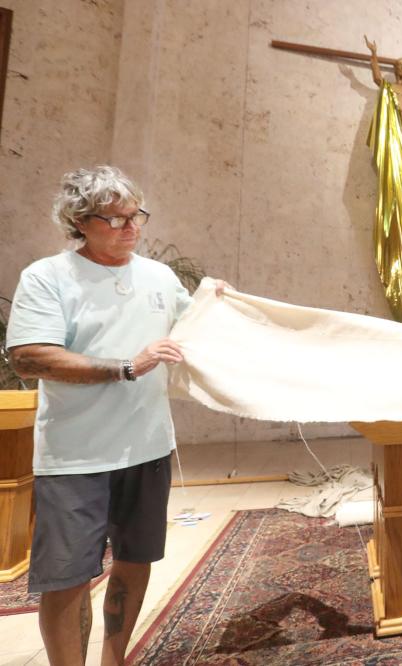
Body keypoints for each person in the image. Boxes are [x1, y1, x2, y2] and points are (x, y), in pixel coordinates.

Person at [5, 166, 224, 665]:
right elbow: (29, 357)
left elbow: (198, 330)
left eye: (136, 215)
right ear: (80, 222)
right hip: (74, 455)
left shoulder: (159, 277)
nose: (132, 228)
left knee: (136, 558)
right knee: (67, 577)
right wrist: (127, 366)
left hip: (146, 447)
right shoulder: (48, 277)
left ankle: (113, 659)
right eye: (116, 219)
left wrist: (219, 304)